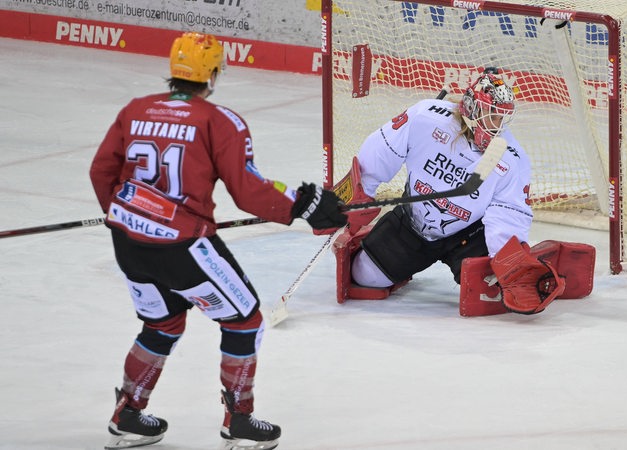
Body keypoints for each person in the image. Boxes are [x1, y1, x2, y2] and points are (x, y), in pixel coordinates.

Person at [90, 32, 347, 450]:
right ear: (211, 73)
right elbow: (248, 190)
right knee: (245, 320)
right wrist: (300, 204)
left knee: (162, 323)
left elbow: (102, 172)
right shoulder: (219, 120)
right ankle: (239, 423)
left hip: (128, 243)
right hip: (183, 247)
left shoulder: (135, 110)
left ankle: (129, 415)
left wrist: (124, 215)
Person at [334, 68, 546, 313]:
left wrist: (509, 265)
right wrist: (356, 194)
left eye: (501, 118)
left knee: (490, 296)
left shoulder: (512, 158)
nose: (496, 125)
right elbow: (382, 150)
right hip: (411, 224)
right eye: (491, 115)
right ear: (472, 107)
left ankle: (533, 259)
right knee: (363, 277)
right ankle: (381, 246)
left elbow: (508, 213)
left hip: (468, 236)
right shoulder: (425, 117)